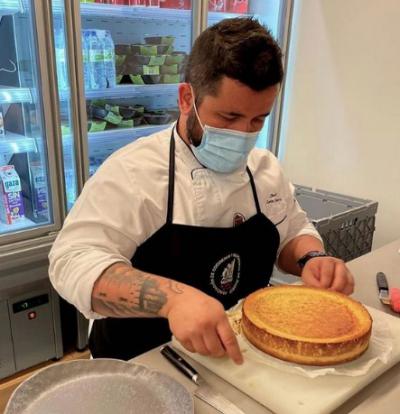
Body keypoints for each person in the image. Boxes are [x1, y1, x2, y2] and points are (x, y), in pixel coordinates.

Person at [49, 17, 354, 365]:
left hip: (240, 359)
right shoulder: (133, 174)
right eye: (228, 117)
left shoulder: (265, 169)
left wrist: (312, 259)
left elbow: (293, 232)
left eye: (257, 121)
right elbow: (71, 261)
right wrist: (174, 299)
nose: (243, 134)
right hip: (140, 362)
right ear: (185, 98)